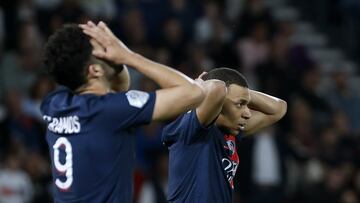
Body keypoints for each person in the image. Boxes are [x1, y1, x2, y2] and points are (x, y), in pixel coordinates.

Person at [41, 21, 206, 203]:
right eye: (102, 49)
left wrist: (114, 60)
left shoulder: (54, 104)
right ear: (94, 70)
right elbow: (194, 93)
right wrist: (128, 56)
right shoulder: (109, 110)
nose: (109, 49)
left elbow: (120, 88)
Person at [162, 68, 287, 202]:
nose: (248, 113)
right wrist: (203, 90)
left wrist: (241, 94)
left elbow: (279, 108)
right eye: (240, 104)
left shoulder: (229, 129)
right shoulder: (191, 127)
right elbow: (217, 88)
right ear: (220, 103)